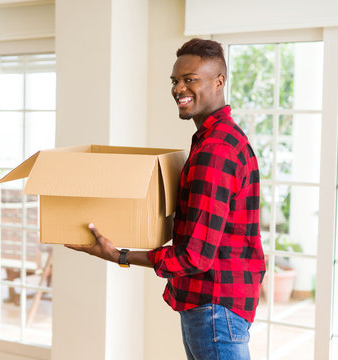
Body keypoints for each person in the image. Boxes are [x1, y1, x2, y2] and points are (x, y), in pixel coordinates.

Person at [65, 38, 265, 360]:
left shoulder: (215, 151)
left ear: (219, 81)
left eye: (190, 79)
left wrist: (119, 254)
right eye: (175, 80)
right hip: (217, 303)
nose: (178, 88)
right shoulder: (219, 139)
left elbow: (194, 257)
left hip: (214, 305)